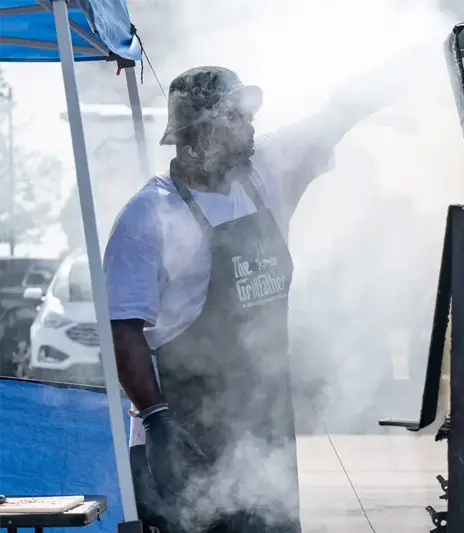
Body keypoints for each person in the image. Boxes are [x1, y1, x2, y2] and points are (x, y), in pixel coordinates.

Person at [103, 66, 392, 533]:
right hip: (183, 437)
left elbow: (342, 109)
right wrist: (156, 420)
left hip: (264, 432)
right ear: (200, 132)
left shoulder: (269, 169)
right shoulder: (147, 217)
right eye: (237, 117)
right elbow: (122, 330)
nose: (251, 127)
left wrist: (431, 57)